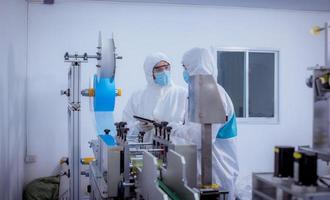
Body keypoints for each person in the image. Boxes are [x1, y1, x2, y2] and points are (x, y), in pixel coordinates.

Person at [170, 47, 239, 200]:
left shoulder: (212, 93)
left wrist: (175, 130)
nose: (184, 72)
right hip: (206, 170)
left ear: (195, 66)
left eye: (185, 67)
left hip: (218, 172)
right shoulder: (198, 93)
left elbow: (200, 138)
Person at [122, 52, 187, 142]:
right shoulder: (137, 96)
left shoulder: (182, 93)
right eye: (159, 70)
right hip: (145, 150)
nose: (164, 72)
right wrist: (138, 127)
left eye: (166, 67)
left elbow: (190, 130)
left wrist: (169, 128)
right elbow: (125, 127)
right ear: (149, 73)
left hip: (176, 151)